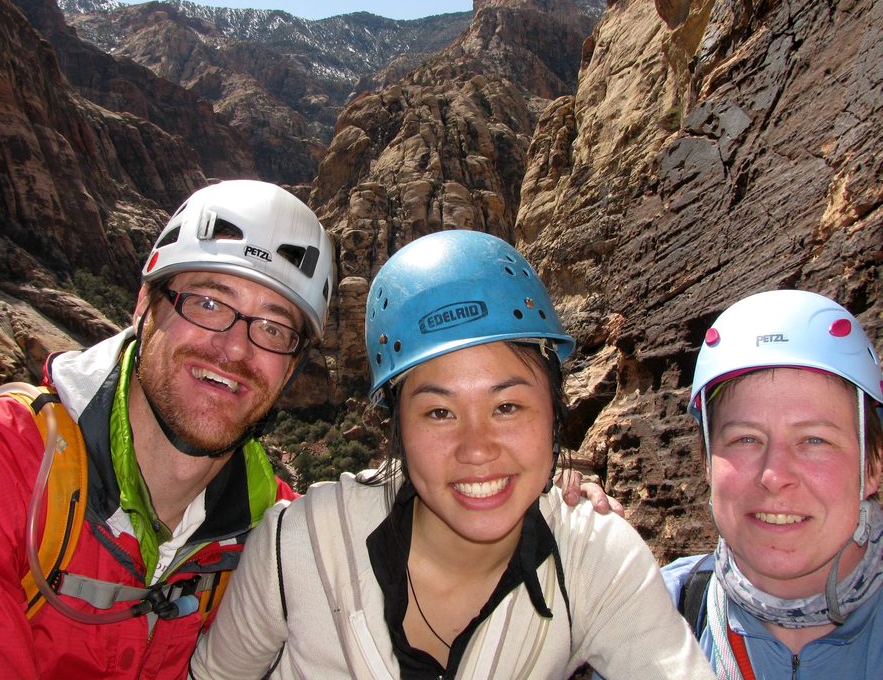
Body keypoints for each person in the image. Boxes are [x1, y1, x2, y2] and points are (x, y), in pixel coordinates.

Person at [0, 180, 335, 678]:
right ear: (145, 307)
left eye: (273, 328)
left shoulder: (277, 533)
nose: (236, 350)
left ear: (293, 369)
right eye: (208, 303)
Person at [189, 230, 715, 679]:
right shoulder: (299, 545)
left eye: (507, 406)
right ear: (397, 426)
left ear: (556, 412)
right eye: (439, 413)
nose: (477, 448)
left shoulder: (592, 557)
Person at [664, 289, 883, 678]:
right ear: (707, 464)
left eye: (815, 440)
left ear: (873, 466)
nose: (774, 476)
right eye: (745, 439)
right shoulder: (648, 616)